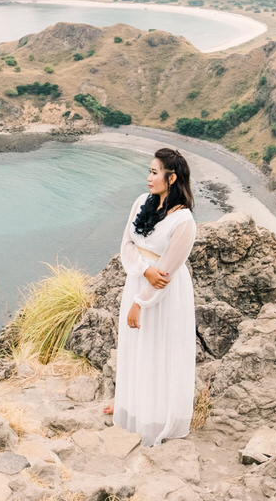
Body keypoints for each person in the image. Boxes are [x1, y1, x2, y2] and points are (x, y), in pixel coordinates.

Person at [111, 147, 197, 447]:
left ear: (171, 178)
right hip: (137, 280)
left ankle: (156, 418)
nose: (148, 177)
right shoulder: (140, 203)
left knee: (160, 350)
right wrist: (143, 270)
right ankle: (130, 407)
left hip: (165, 294)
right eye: (149, 171)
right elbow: (127, 245)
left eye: (154, 172)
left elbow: (166, 273)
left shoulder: (184, 221)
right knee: (136, 347)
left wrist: (140, 303)